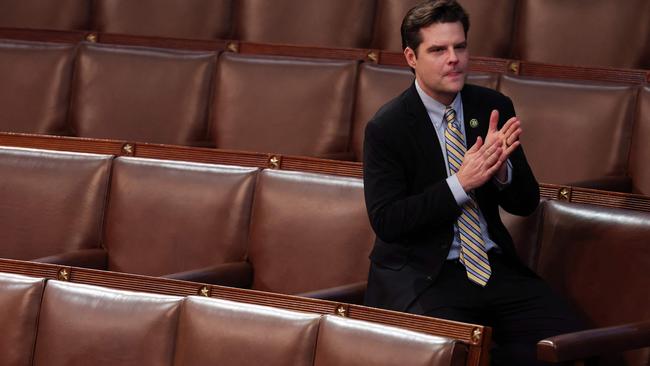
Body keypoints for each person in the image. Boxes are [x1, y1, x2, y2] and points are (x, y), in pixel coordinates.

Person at [362, 1, 583, 364]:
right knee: (466, 354)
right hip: (425, 275)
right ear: (410, 57)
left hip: (492, 266)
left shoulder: (492, 106)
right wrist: (460, 184)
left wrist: (500, 172)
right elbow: (388, 220)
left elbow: (525, 203)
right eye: (438, 50)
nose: (454, 58)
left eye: (460, 46)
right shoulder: (388, 127)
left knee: (572, 344)